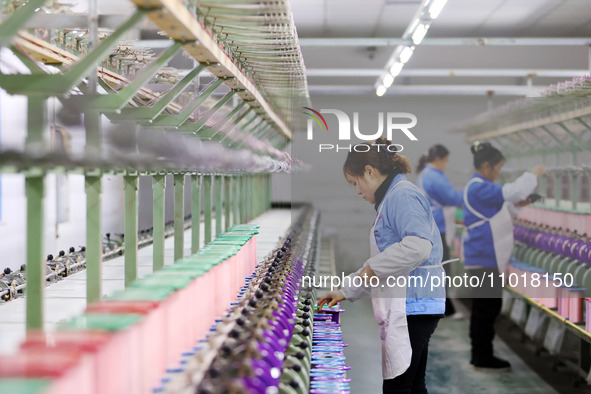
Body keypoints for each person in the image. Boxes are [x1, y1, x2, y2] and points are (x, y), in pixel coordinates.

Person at [318, 137, 445, 394]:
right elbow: (386, 263)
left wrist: (371, 270)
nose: (357, 191)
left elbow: (419, 247)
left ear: (369, 171)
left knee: (399, 387)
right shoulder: (391, 198)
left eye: (356, 183)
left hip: (414, 304)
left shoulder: (403, 195)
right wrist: (346, 290)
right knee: (412, 385)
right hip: (412, 303)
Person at [462, 141, 544, 371]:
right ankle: (481, 355)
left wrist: (524, 202)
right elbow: (512, 191)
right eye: (498, 168)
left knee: (487, 307)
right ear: (487, 166)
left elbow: (505, 207)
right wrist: (533, 174)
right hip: (483, 257)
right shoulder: (479, 186)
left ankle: (481, 353)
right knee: (485, 309)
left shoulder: (479, 187)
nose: (498, 173)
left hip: (485, 257)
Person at [416, 144, 463, 317]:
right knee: (441, 269)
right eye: (446, 161)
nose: (446, 165)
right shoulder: (434, 177)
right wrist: (472, 194)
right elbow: (453, 197)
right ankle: (444, 309)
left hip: (430, 227)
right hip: (437, 228)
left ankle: (443, 307)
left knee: (436, 269)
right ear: (439, 159)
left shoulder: (426, 175)